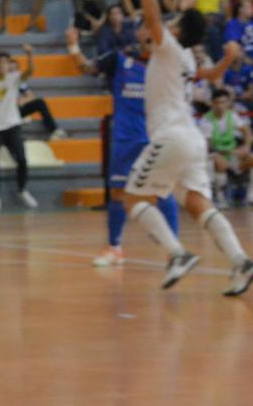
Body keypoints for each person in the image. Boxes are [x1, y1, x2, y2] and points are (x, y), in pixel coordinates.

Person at [122, 0, 253, 295]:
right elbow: (210, 73)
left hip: (172, 136)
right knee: (199, 204)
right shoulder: (184, 53)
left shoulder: (169, 47)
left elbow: (154, 19)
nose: (165, 25)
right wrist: (227, 59)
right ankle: (241, 261)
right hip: (192, 138)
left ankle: (177, 254)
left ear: (176, 30)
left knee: (132, 198)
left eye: (173, 24)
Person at [66, 24, 180, 268]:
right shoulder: (120, 58)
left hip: (155, 137)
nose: (144, 31)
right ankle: (114, 248)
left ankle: (175, 250)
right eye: (141, 27)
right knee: (117, 193)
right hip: (125, 138)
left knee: (162, 191)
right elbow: (87, 68)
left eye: (149, 28)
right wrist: (73, 46)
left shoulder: (167, 63)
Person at [0, 46, 39, 210]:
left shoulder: (14, 78)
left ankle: (22, 190)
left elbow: (30, 71)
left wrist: (29, 55)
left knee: (22, 159)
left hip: (12, 125)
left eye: (6, 63)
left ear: (9, 65)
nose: (2, 66)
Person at [200, 88, 253, 207]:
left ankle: (252, 197)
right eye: (217, 102)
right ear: (212, 103)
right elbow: (209, 145)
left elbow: (247, 131)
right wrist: (230, 152)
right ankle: (219, 198)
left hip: (233, 155)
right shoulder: (206, 120)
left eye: (223, 102)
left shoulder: (232, 115)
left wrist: (246, 147)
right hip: (215, 155)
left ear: (228, 103)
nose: (221, 106)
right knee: (219, 161)